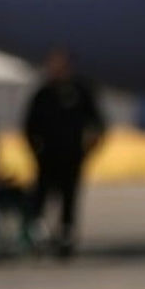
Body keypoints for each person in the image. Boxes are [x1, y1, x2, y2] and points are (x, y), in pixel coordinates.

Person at [24, 49, 105, 258]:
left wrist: (88, 150)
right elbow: (29, 127)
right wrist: (37, 151)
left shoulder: (80, 91)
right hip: (47, 159)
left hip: (72, 157)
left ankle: (66, 240)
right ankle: (38, 239)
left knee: (69, 201)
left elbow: (98, 123)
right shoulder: (43, 94)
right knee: (40, 200)